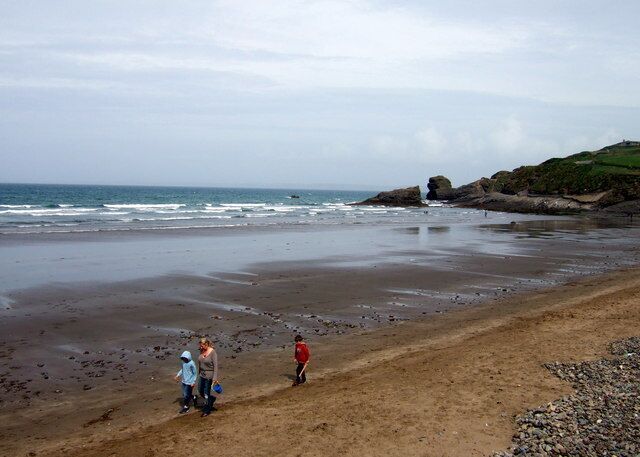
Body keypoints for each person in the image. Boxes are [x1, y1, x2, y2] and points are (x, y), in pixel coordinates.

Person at [197, 337, 219, 417]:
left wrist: (214, 379)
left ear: (206, 344)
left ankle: (207, 410)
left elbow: (216, 366)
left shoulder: (213, 352)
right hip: (201, 375)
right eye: (200, 346)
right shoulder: (202, 350)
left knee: (206, 393)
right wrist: (198, 373)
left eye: (202, 346)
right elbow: (200, 363)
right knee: (200, 390)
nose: (200, 347)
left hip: (209, 376)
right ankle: (211, 399)